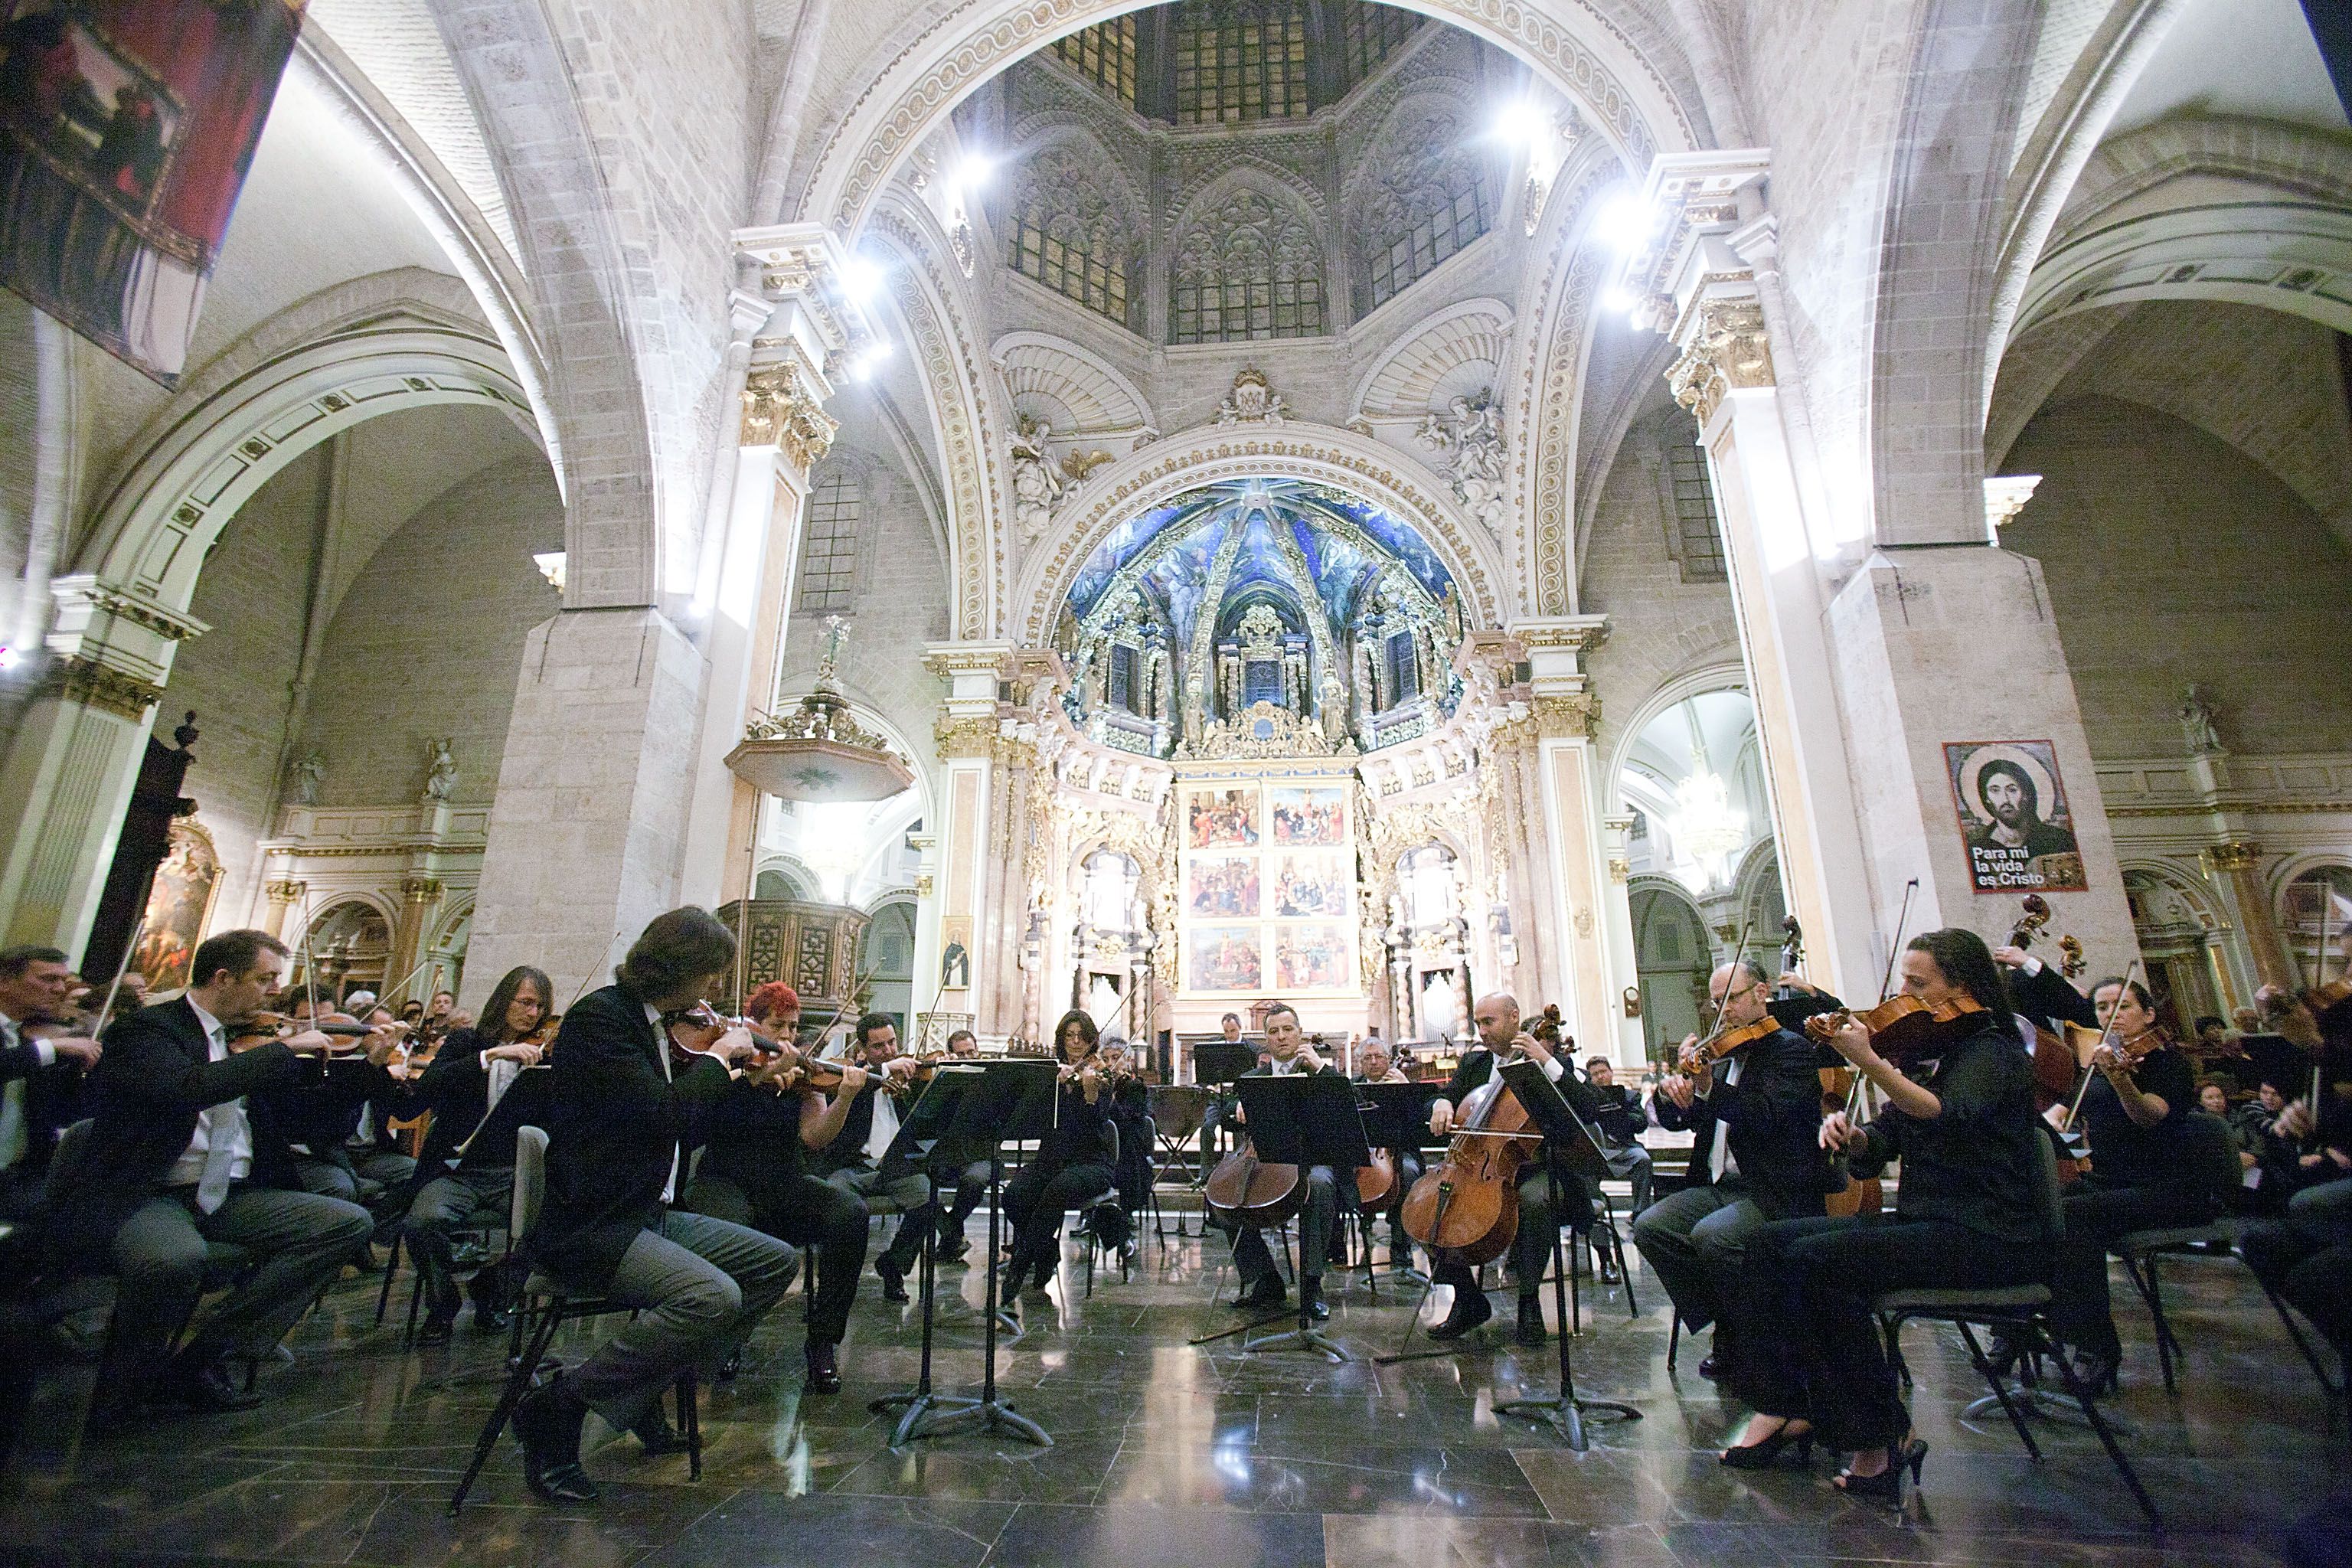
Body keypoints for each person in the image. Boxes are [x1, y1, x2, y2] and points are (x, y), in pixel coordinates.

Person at [1721, 928, 2050, 1501]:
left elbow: (1943, 1116)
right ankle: (1790, 1403)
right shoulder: (1943, 1057)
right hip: (1932, 1224)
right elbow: (1888, 1137)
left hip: (1988, 1233)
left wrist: (1868, 1061)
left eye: (1917, 983)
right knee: (1768, 1245)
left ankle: (1879, 1432)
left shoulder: (1994, 1053)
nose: (1905, 992)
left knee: (1816, 1263)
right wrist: (1854, 1138)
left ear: (1962, 987)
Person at [511, 909, 798, 1505]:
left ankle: (637, 1394)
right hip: (591, 1222)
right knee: (710, 1296)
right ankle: (559, 1406)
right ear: (680, 969)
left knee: (773, 1262)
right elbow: (666, 1117)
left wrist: (740, 1080)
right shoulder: (601, 1021)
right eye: (713, 974)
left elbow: (682, 1128)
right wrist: (720, 1060)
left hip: (641, 1209)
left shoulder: (653, 1024)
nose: (718, 990)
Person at [57, 930, 381, 1426]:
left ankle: (203, 1360)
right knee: (174, 1258)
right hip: (152, 1191)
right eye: (266, 979)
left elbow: (310, 1124)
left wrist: (367, 1068)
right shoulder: (149, 1030)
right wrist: (282, 1052)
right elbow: (185, 1088)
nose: (275, 991)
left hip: (230, 1193)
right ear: (223, 977)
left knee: (345, 1221)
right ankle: (124, 1386)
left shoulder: (255, 1039)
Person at [1632, 959, 1829, 1377]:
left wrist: (1708, 1088)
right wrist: (1675, 1093)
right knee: (1651, 1227)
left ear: (1761, 993)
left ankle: (1748, 1341)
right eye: (1716, 1003)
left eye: (1732, 999)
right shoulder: (1720, 1054)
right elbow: (1675, 1121)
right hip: (1719, 1185)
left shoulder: (1789, 1050)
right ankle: (1731, 1323)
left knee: (1713, 1236)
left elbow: (1765, 1115)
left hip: (1773, 1189)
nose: (1723, 1012)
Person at [680, 981, 873, 1393]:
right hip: (724, 1179)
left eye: (792, 1027)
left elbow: (814, 1137)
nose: (785, 1037)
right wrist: (759, 1076)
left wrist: (846, 1098)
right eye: (777, 1026)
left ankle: (823, 1341)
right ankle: (729, 1335)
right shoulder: (731, 1060)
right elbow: (702, 1122)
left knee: (851, 1215)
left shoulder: (801, 1074)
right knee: (736, 1227)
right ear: (754, 1024)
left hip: (782, 1180)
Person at [2043, 976, 2211, 1390]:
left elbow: (2149, 1117)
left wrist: (2121, 1079)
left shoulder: (2168, 1064)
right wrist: (2048, 1121)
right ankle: (2036, 1326)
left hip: (2171, 1188)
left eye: (2122, 1006)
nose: (2109, 1015)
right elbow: (2061, 1113)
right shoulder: (2096, 1066)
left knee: (2075, 1215)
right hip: (2114, 1185)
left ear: (2149, 1013)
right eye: (2101, 1008)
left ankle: (2098, 1349)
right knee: (2043, 1204)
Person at [1423, 993, 1605, 1345]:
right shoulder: (1475, 1064)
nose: (1482, 1031)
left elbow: (1590, 1107)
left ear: (1514, 1018)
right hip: (1480, 1167)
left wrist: (1547, 1061)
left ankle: (1528, 1298)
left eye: (1488, 1022)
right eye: (1477, 1023)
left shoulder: (1552, 1062)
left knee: (1535, 1201)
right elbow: (1444, 1094)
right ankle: (1467, 1300)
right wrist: (1442, 1102)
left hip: (1539, 1168)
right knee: (1433, 1203)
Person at [399, 965, 553, 1341]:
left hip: (513, 1174)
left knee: (559, 1225)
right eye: (526, 1003)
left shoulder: (545, 1054)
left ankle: (493, 1289)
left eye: (540, 1007)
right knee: (422, 1222)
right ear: (504, 1001)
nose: (533, 1014)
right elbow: (429, 1087)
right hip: (458, 1171)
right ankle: (442, 1302)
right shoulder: (467, 1042)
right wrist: (493, 1055)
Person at [1217, 1004, 1344, 1321]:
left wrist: (1322, 1070)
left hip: (1314, 1159)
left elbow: (1348, 1104)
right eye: (1273, 1032)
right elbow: (1226, 1111)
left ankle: (1312, 1283)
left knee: (1318, 1185)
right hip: (1266, 1161)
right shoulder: (1253, 1077)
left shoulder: (1319, 1072)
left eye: (1288, 1030)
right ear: (1265, 1039)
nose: (1281, 1037)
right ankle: (1264, 1279)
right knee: (1219, 1194)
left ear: (1299, 1033)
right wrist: (1237, 1111)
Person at [998, 1010, 1116, 1315]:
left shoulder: (1101, 1076)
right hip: (1052, 1159)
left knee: (1056, 1190)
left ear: (1091, 1040)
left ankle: (1016, 1273)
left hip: (1091, 1162)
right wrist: (1055, 1088)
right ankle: (1047, 1252)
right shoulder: (1052, 1076)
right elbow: (1036, 1120)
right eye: (1069, 1036)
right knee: (1013, 1196)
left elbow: (1095, 1127)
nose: (1076, 1042)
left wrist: (1089, 1095)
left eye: (1081, 1036)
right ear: (1061, 1040)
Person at [812, 1014, 932, 1302]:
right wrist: (884, 1072)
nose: (889, 1050)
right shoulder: (850, 1077)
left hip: (894, 1166)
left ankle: (894, 1264)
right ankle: (828, 1292)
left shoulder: (908, 1078)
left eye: (892, 1043)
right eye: (879, 1047)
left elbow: (925, 1123)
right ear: (862, 1050)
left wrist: (909, 1092)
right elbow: (850, 1104)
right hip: (852, 1166)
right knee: (837, 1202)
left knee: (929, 1198)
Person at [0, 945, 102, 1221]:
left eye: (62, 981)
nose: (59, 989)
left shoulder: (27, 1036)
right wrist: (52, 1047)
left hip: (19, 1176)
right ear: (5, 983)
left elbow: (59, 1113)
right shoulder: (42, 1047)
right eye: (48, 979)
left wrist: (84, 1075)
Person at [1582, 1054, 1655, 1217]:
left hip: (1624, 1148)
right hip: (1597, 1151)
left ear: (1611, 1072)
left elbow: (1641, 1123)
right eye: (1595, 1074)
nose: (1601, 1077)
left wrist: (1620, 1114)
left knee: (1643, 1159)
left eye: (1603, 1072)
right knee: (1583, 1168)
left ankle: (1640, 1214)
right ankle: (1597, 1221)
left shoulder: (1629, 1096)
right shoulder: (1584, 1099)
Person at [1195, 1011, 1252, 1181]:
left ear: (1240, 1028)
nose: (1229, 1035)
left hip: (1237, 1097)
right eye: (1226, 1031)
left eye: (1233, 1031)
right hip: (1217, 1095)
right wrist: (1210, 1085)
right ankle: (1205, 1173)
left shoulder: (1249, 1048)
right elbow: (1204, 1075)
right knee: (1207, 1128)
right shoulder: (1214, 1046)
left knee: (1238, 1129)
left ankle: (1238, 1171)